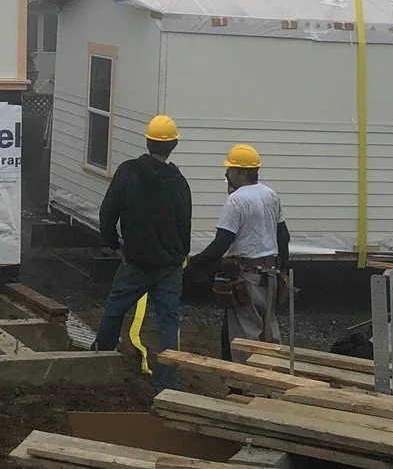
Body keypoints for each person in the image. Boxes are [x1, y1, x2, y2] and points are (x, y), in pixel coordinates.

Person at [93, 113, 192, 391]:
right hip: (169, 266)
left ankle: (98, 360)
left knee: (114, 310)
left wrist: (114, 244)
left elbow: (107, 213)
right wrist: (179, 255)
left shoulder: (127, 172)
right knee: (168, 322)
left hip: (135, 261)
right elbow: (185, 225)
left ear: (148, 141)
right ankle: (167, 385)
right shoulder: (178, 182)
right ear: (173, 145)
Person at [188, 143, 289, 361]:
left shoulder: (237, 201)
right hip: (271, 274)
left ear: (242, 172)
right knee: (269, 334)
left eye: (230, 170)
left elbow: (222, 242)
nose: (227, 174)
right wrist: (284, 270)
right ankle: (274, 382)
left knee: (246, 337)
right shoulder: (270, 195)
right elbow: (284, 237)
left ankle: (246, 388)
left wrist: (196, 263)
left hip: (246, 277)